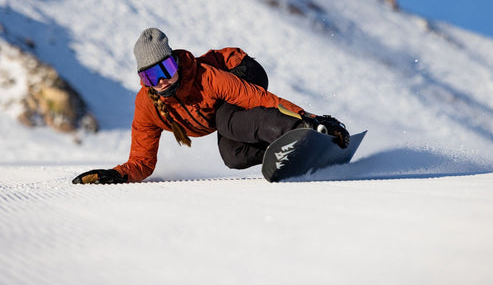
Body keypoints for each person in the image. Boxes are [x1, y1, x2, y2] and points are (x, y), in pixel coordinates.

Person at [72, 28, 349, 184]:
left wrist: (307, 119)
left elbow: (258, 99)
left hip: (241, 70)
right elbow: (142, 162)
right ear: (143, 81)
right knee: (233, 156)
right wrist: (118, 174)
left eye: (166, 68)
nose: (163, 81)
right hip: (225, 101)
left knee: (228, 121)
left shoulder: (205, 76)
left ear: (175, 62)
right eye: (151, 76)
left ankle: (298, 131)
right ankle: (285, 146)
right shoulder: (148, 106)